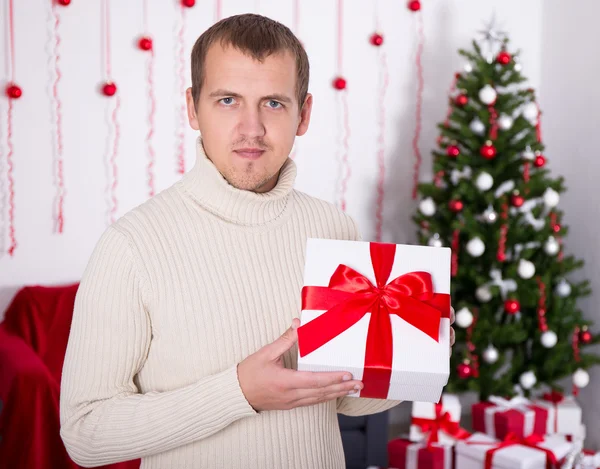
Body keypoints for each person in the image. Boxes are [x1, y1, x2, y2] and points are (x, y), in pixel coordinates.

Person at [60, 13, 455, 469]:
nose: (252, 128)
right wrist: (239, 392)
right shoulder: (130, 245)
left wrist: (421, 351)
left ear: (303, 114)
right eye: (228, 100)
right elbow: (85, 433)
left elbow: (346, 399)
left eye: (272, 103)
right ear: (193, 108)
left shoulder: (334, 229)